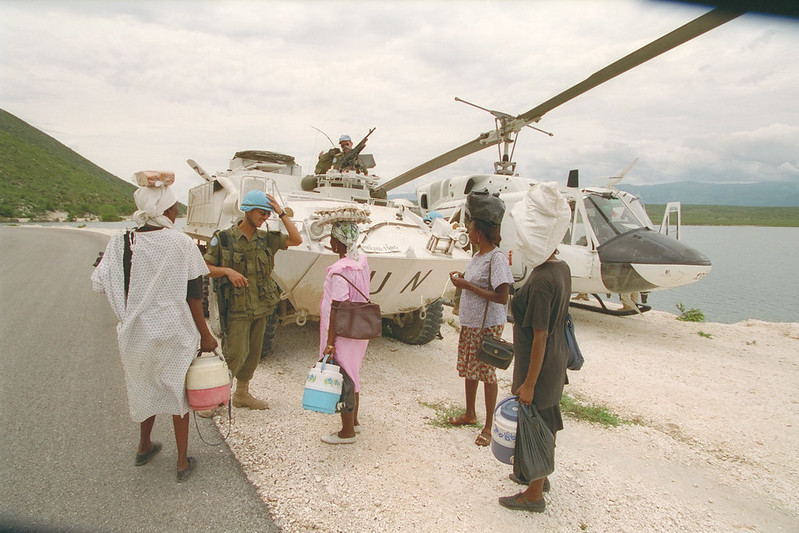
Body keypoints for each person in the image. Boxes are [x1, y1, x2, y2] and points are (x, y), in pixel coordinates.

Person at [91, 174, 218, 482]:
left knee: (143, 385)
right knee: (178, 393)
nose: (176, 213)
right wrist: (206, 335)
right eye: (174, 208)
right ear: (166, 210)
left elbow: (100, 282)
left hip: (136, 332)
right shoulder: (182, 244)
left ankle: (144, 445)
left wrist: (128, 311)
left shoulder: (122, 240)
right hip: (175, 331)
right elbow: (194, 296)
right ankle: (181, 462)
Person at [499, 184, 572, 513]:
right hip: (556, 360)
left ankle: (534, 495)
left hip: (540, 365)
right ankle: (538, 476)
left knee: (538, 423)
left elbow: (539, 335)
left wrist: (528, 383)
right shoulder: (561, 269)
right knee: (547, 418)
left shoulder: (542, 280)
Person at [201, 190, 302, 415]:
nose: (265, 217)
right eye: (261, 212)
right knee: (235, 353)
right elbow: (204, 268)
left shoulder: (267, 238)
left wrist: (281, 212)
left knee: (253, 354)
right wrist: (227, 271)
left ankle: (242, 394)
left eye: (267, 214)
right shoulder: (225, 238)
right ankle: (216, 399)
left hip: (262, 306)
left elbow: (297, 239)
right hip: (237, 307)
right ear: (246, 210)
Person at [447, 218, 514, 446]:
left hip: (487, 324)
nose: (469, 232)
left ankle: (488, 426)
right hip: (471, 322)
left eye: (472, 229)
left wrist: (468, 286)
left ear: (480, 234)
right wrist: (463, 280)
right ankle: (469, 414)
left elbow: (502, 297)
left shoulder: (497, 258)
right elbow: (476, 284)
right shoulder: (477, 256)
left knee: (486, 371)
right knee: (469, 367)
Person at [318, 215, 371, 444]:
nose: (330, 241)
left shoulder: (339, 269)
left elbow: (338, 307)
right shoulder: (362, 261)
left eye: (332, 237)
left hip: (342, 331)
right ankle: (355, 421)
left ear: (338, 242)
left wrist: (330, 342)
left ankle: (346, 431)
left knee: (343, 377)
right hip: (360, 327)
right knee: (353, 373)